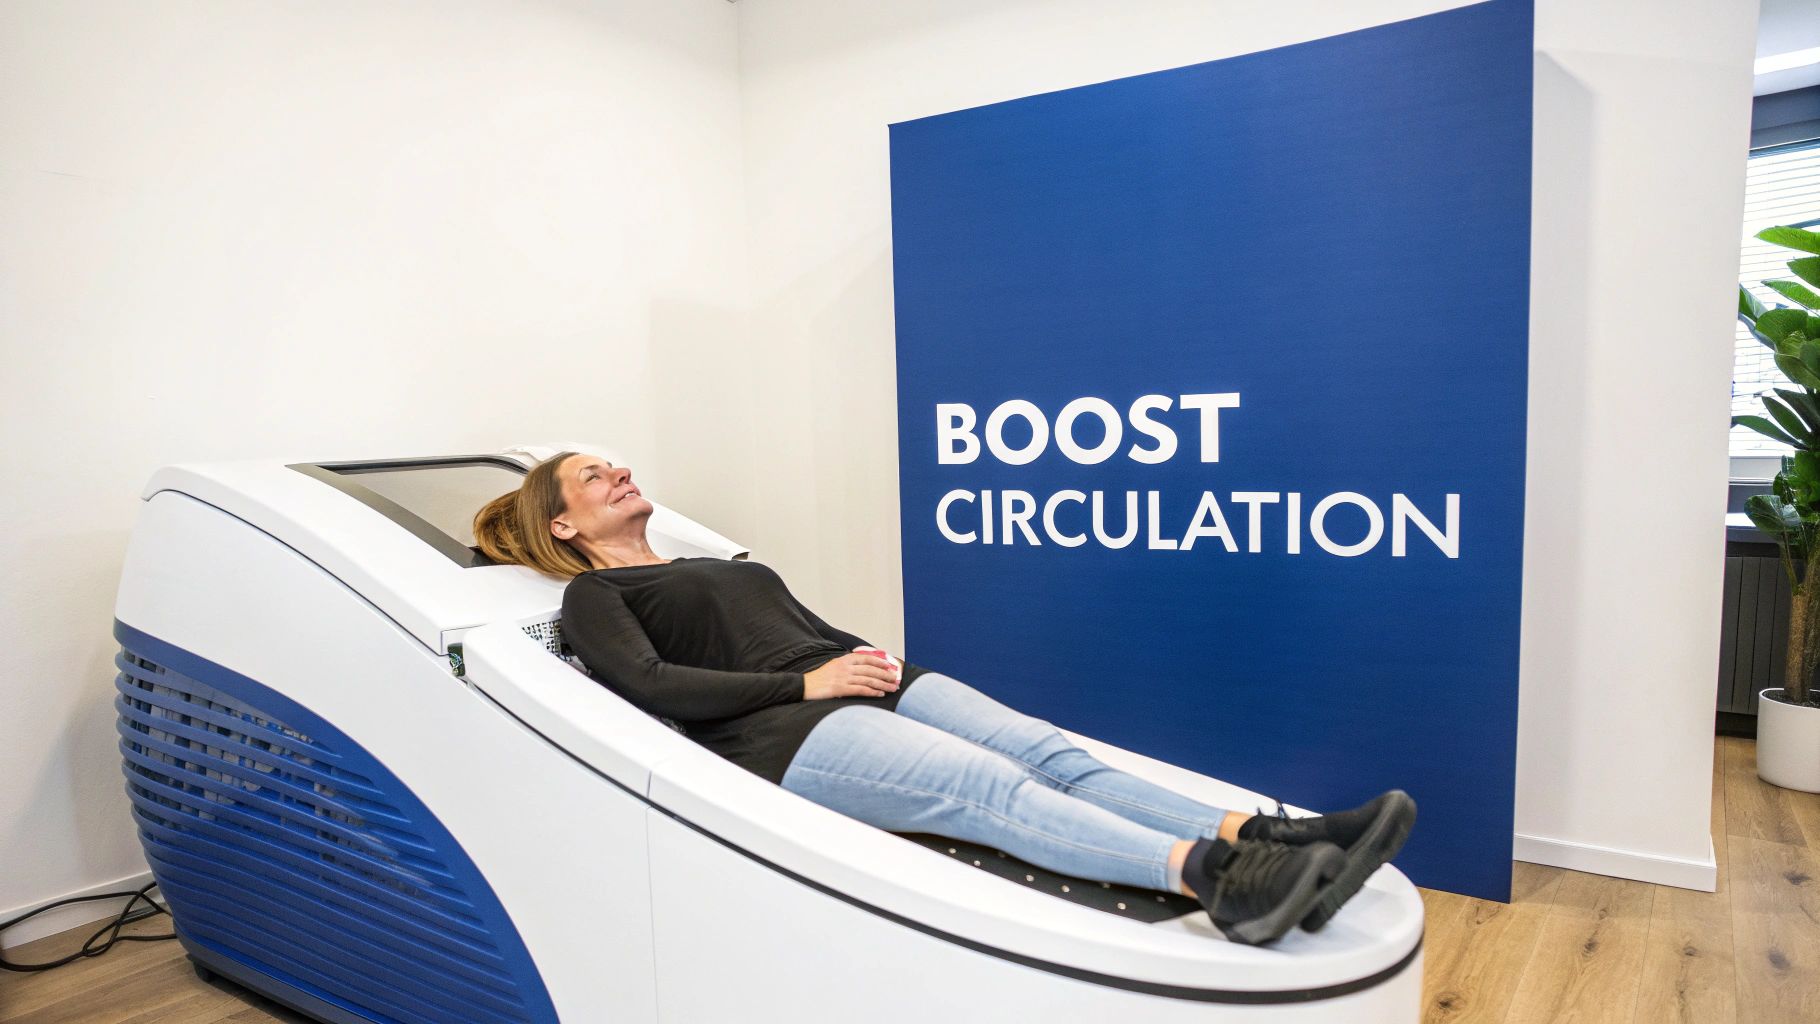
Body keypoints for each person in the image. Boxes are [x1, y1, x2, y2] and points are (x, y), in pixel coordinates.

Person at [474, 451, 1415, 946]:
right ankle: (1217, 879)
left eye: (612, 462)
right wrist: (810, 681)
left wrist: (858, 659)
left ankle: (1279, 840)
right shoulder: (596, 594)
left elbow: (805, 627)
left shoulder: (713, 562)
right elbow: (650, 687)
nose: (617, 472)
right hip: (779, 730)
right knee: (995, 795)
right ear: (565, 523)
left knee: (1054, 757)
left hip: (865, 681)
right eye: (592, 477)